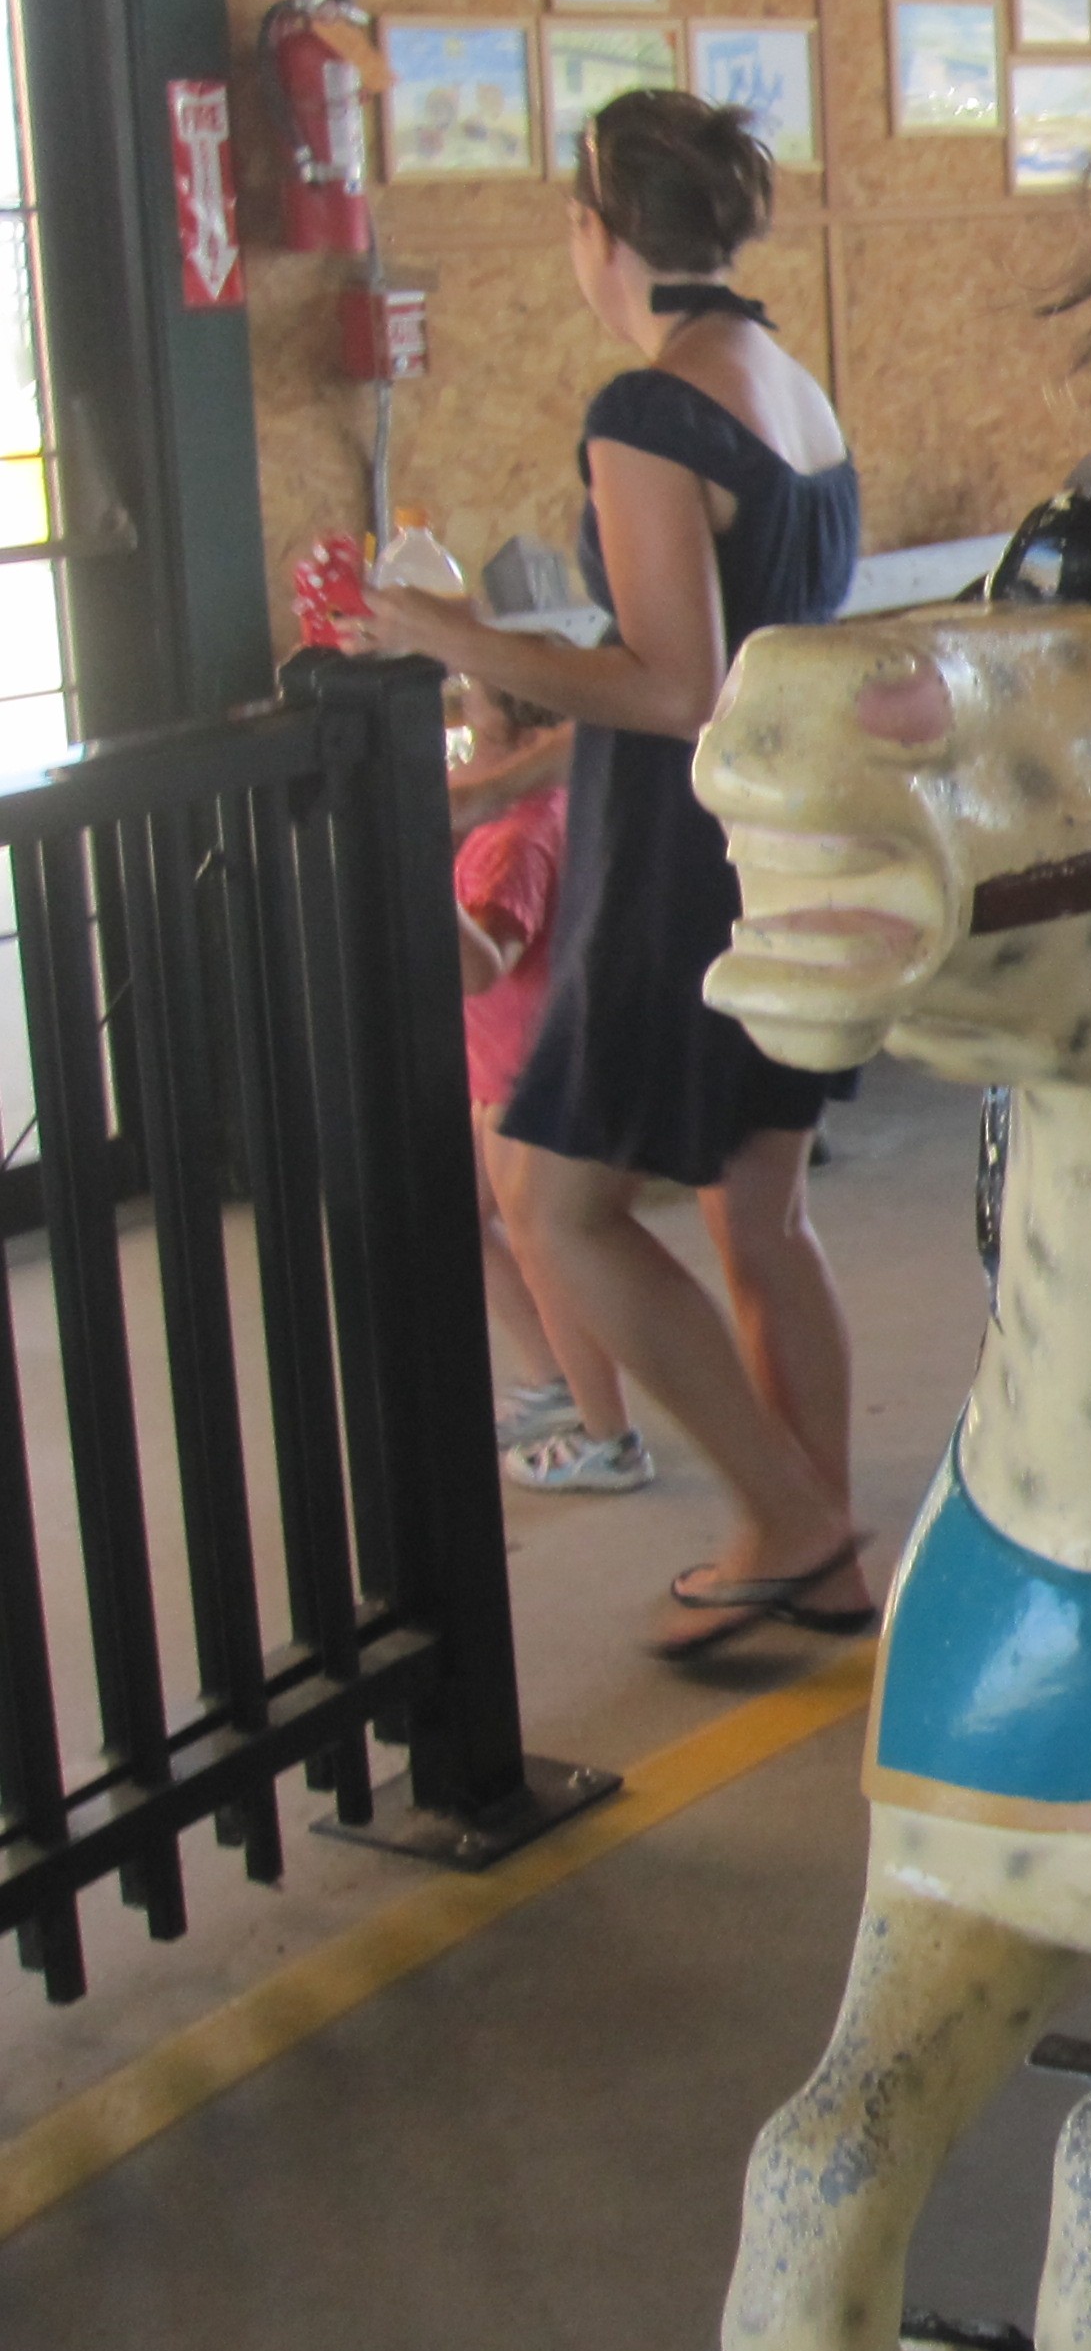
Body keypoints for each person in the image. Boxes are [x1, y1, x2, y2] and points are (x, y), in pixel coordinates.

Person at [350, 91, 870, 1657]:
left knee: (548, 1204)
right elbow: (737, 656)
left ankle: (789, 1518)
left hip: (679, 866)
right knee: (761, 1218)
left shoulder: (649, 408)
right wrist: (527, 729)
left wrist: (451, 635)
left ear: (598, 234)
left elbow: (673, 684)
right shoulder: (790, 386)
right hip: (791, 838)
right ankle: (821, 1551)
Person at [454, 678, 640, 1491]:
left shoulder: (518, 838)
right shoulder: (540, 811)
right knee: (467, 1221)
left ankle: (608, 1433)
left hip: (523, 1075)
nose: (459, 725)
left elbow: (483, 966)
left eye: (472, 710)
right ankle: (556, 1380)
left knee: (547, 1250)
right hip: (499, 1067)